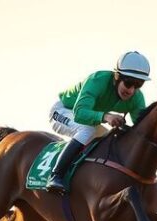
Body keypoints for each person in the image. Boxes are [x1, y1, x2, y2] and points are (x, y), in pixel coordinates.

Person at [46, 51, 151, 194]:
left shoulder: (137, 98)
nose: (131, 90)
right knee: (87, 130)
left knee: (108, 140)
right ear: (116, 76)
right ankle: (55, 175)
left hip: (88, 121)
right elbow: (79, 113)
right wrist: (106, 117)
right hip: (63, 111)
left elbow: (141, 131)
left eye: (138, 84)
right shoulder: (97, 80)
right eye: (128, 83)